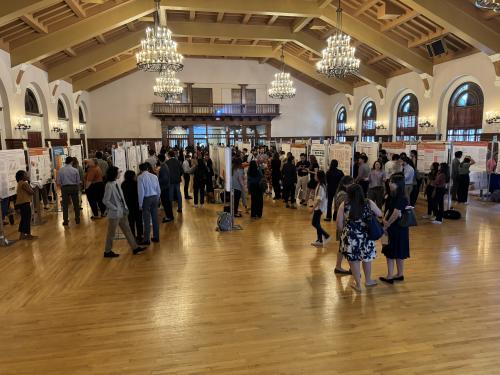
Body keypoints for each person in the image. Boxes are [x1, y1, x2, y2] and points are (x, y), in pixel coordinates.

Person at [337, 184, 382, 292]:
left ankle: (358, 284)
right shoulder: (369, 202)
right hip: (366, 236)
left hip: (351, 237)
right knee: (367, 259)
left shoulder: (344, 205)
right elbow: (380, 213)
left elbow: (339, 224)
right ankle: (368, 281)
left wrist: (344, 232)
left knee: (354, 261)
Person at [102, 167, 146, 258]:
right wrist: (115, 208)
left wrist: (124, 208)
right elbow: (105, 200)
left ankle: (135, 248)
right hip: (115, 214)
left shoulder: (116, 183)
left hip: (122, 212)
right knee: (111, 233)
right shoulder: (109, 185)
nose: (120, 174)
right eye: (118, 172)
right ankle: (107, 251)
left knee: (128, 230)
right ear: (114, 174)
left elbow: (121, 198)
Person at [380, 174, 410, 284]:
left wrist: (387, 223)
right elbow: (387, 210)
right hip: (398, 228)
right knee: (398, 251)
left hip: (396, 227)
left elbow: (396, 213)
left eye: (392, 182)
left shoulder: (400, 197)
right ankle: (399, 274)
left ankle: (390, 276)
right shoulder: (393, 195)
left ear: (397, 184)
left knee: (391, 251)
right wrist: (384, 219)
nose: (389, 183)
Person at [333, 176, 354, 275]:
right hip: (344, 225)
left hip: (342, 224)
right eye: (351, 183)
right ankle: (353, 269)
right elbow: (345, 212)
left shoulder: (340, 193)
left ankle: (338, 267)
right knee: (347, 247)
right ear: (346, 184)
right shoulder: (343, 195)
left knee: (342, 247)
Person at [137, 163, 161, 245]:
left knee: (146, 220)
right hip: (155, 197)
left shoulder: (140, 177)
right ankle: (156, 236)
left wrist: (140, 204)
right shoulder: (154, 176)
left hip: (146, 199)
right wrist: (157, 198)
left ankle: (146, 239)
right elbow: (158, 189)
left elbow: (141, 192)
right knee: (155, 218)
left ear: (140, 170)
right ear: (147, 168)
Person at [56, 156, 81, 226]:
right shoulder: (75, 170)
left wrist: (62, 186)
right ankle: (77, 219)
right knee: (76, 204)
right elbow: (78, 181)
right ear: (71, 162)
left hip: (64, 188)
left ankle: (65, 221)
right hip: (73, 187)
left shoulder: (61, 170)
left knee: (65, 205)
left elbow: (58, 182)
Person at [311, 171, 332, 247]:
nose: (314, 176)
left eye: (316, 175)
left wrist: (312, 208)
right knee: (317, 223)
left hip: (319, 208)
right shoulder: (321, 185)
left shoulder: (321, 186)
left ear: (319, 177)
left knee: (314, 223)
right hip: (319, 207)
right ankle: (319, 240)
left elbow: (319, 199)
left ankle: (326, 235)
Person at [121, 170, 143, 242]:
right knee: (139, 221)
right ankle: (139, 236)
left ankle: (132, 236)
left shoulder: (123, 184)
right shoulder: (136, 183)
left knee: (131, 222)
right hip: (136, 204)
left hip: (128, 205)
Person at [15, 170, 36, 240]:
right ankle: (28, 235)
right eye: (25, 174)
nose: (27, 176)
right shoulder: (24, 183)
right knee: (27, 219)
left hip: (21, 204)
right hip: (25, 203)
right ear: (22, 176)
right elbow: (31, 192)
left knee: (24, 219)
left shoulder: (20, 183)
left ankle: (22, 235)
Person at [158, 154, 174, 222]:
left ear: (159, 160)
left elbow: (165, 179)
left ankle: (169, 217)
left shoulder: (163, 167)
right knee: (167, 203)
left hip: (164, 188)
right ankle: (170, 216)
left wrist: (157, 180)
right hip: (166, 187)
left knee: (166, 203)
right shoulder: (164, 165)